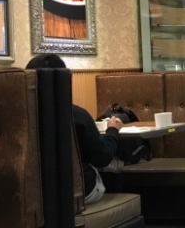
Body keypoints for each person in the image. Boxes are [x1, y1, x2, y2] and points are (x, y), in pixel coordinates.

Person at [26, 54, 124, 205]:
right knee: (112, 164)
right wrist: (113, 130)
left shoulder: (18, 117)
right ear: (64, 80)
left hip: (31, 196)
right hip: (76, 193)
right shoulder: (77, 115)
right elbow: (102, 158)